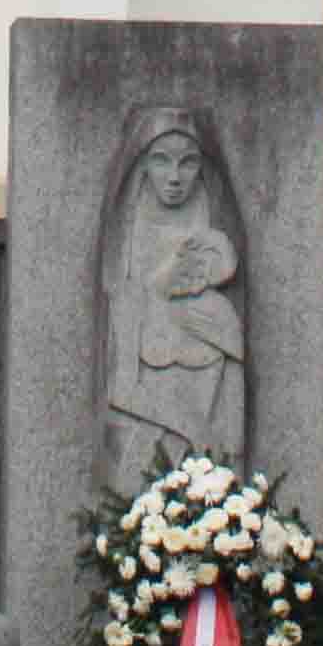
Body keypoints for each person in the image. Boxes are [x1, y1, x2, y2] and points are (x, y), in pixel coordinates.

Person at [100, 110, 247, 479]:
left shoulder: (221, 314)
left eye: (188, 163)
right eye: (161, 160)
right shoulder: (133, 298)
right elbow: (121, 389)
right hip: (147, 454)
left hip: (209, 483)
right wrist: (193, 429)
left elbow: (232, 411)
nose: (175, 177)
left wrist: (225, 450)